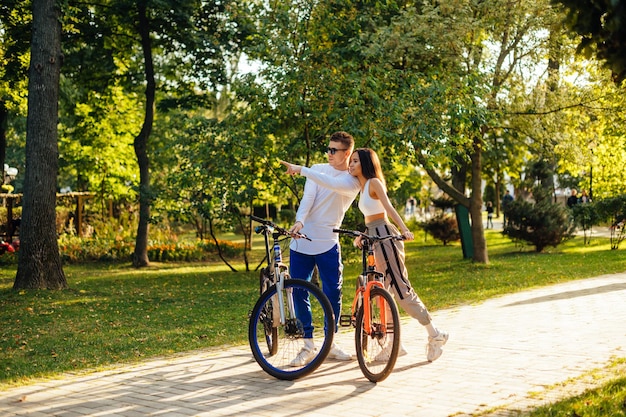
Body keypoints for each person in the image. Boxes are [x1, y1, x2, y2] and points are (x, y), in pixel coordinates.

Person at [281, 148, 449, 363]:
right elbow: (370, 214)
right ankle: (392, 345)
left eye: (355, 162)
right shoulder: (361, 186)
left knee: (399, 288)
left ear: (366, 164)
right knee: (382, 291)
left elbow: (388, 208)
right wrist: (364, 234)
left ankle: (435, 334)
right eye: (350, 162)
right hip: (374, 235)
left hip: (385, 236)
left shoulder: (374, 182)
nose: (350, 166)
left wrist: (405, 229)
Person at [285, 131, 361, 367]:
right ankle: (308, 344)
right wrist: (299, 221)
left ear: (346, 153)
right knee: (299, 291)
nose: (328, 154)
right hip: (302, 241)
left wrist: (302, 169)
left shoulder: (353, 181)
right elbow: (307, 199)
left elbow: (332, 183)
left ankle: (331, 342)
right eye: (327, 149)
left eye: (333, 150)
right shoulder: (318, 168)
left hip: (328, 243)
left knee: (332, 293)